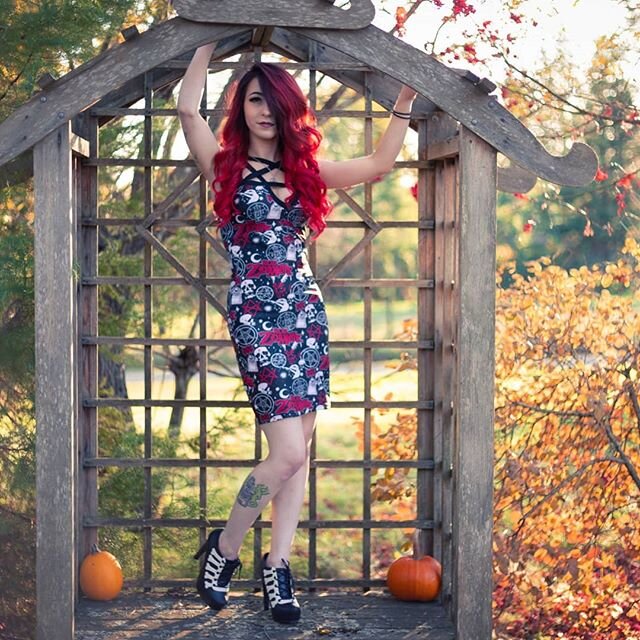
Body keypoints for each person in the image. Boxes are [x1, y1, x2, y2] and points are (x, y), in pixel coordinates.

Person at [177, 42, 416, 624]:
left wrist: (406, 98)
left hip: (305, 314)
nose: (264, 111)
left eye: (275, 103)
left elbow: (379, 165)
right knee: (284, 454)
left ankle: (277, 568)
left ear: (289, 112)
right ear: (242, 107)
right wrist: (206, 41)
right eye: (256, 100)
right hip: (258, 318)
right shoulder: (223, 166)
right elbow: (187, 110)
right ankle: (225, 548)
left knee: (298, 451)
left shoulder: (304, 172)